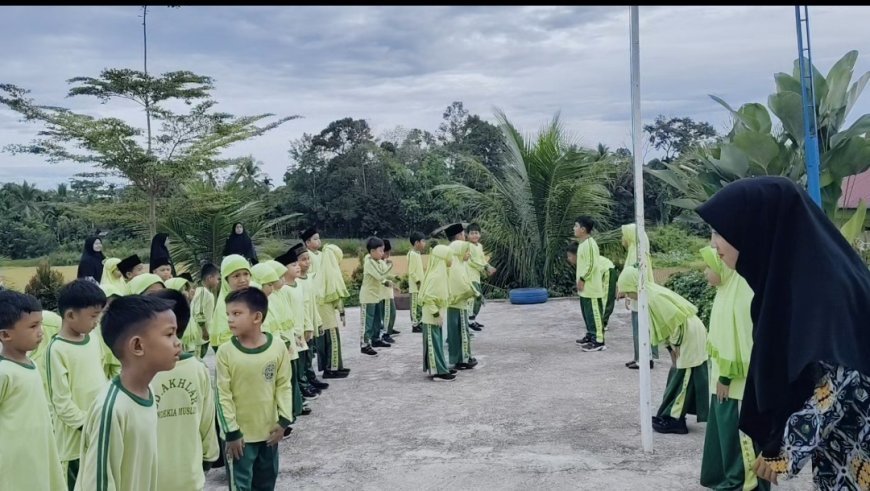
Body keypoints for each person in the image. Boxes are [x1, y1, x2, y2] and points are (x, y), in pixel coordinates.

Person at [696, 176, 870, 489]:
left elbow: (844, 375)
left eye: (721, 231)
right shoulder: (793, 281)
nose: (714, 244)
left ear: (756, 228)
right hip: (844, 449)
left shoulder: (825, 289)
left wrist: (787, 446)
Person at [75, 295, 182, 491]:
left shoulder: (147, 391)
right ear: (137, 346)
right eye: (169, 335)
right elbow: (98, 484)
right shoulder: (112, 409)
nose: (178, 343)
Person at [697, 246, 767, 490]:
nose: (705, 272)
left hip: (737, 385)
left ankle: (745, 485)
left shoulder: (741, 291)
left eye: (709, 266)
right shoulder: (725, 290)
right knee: (726, 439)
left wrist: (725, 377)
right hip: (725, 382)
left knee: (740, 440)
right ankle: (731, 480)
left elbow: (739, 340)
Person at [216, 287, 294, 491]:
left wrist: (284, 420)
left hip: (269, 434)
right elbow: (223, 394)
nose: (230, 319)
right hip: (240, 439)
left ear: (257, 317)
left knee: (266, 483)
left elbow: (284, 385)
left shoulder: (277, 347)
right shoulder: (225, 352)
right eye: (228, 314)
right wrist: (231, 432)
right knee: (240, 486)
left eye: (237, 313)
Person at [618, 266, 709, 434]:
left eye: (628, 292)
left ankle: (675, 420)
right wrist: (671, 348)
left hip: (687, 335)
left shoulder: (653, 297)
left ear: (634, 286)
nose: (629, 297)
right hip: (684, 335)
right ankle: (669, 414)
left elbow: (674, 320)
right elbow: (665, 326)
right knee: (676, 376)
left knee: (684, 377)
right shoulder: (648, 294)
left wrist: (676, 346)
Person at [148, 289, 219, 491]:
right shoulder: (198, 369)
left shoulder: (143, 373)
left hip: (152, 478)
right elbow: (207, 420)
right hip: (191, 474)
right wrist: (209, 456)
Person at [0, 290, 66, 491]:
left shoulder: (32, 364)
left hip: (39, 450)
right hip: (14, 461)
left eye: (40, 324)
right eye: (32, 326)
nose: (41, 331)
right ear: (5, 335)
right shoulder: (4, 372)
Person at [45, 279, 108, 490]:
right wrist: (86, 424)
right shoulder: (57, 349)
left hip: (97, 433)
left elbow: (101, 376)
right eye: (93, 316)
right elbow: (61, 401)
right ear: (70, 315)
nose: (97, 321)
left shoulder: (93, 340)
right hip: (75, 443)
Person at [619, 223, 658, 370]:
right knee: (638, 327)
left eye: (624, 235)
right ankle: (639, 357)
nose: (622, 239)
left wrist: (627, 292)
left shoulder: (637, 252)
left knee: (641, 328)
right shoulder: (634, 250)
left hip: (639, 296)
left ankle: (645, 359)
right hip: (636, 296)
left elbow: (634, 275)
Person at [293, 242, 330, 394]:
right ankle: (303, 382)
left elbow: (313, 303)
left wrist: (318, 322)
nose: (307, 262)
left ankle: (310, 376)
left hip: (312, 320)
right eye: (303, 259)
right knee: (302, 355)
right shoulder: (295, 282)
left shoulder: (309, 278)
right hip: (302, 323)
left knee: (309, 353)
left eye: (308, 259)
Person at [418, 245, 457, 381]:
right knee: (433, 343)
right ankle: (439, 372)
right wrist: (436, 314)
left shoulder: (441, 273)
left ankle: (440, 368)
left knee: (436, 343)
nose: (452, 259)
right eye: (450, 257)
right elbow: (429, 297)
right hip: (432, 317)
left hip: (436, 317)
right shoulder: (436, 276)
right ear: (443, 258)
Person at [446, 223, 479, 370]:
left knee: (454, 332)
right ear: (459, 237)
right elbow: (462, 282)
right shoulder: (457, 261)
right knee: (463, 331)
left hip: (452, 302)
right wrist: (472, 292)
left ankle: (456, 358)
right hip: (459, 302)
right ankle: (465, 358)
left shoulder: (453, 258)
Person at [573, 217, 606, 352]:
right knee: (587, 313)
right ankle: (590, 335)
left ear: (583, 229)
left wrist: (583, 279)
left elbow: (592, 265)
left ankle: (599, 341)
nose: (573, 229)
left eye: (576, 226)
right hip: (585, 288)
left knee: (594, 313)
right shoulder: (583, 244)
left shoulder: (591, 244)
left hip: (591, 287)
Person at [318, 244, 351, 379]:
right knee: (333, 339)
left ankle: (333, 367)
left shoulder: (322, 270)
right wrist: (342, 312)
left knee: (326, 340)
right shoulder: (330, 272)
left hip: (322, 310)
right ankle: (332, 369)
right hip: (327, 312)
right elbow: (335, 294)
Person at [210, 255, 253, 352]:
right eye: (236, 276)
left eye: (246, 274)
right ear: (226, 280)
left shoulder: (253, 300)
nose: (242, 280)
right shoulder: (224, 308)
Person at [359, 237, 393, 355]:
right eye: (380, 251)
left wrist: (388, 281)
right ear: (372, 251)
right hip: (368, 297)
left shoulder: (378, 262)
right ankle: (364, 344)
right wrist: (389, 266)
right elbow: (380, 275)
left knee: (377, 321)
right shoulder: (369, 262)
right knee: (368, 322)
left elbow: (383, 277)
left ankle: (376, 339)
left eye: (383, 250)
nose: (383, 253)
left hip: (376, 296)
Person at [465, 223, 496, 331]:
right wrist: (484, 268)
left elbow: (482, 259)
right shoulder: (467, 246)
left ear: (480, 234)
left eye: (476, 233)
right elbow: (471, 262)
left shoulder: (480, 246)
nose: (474, 235)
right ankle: (469, 321)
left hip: (477, 276)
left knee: (478, 299)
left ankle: (472, 320)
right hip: (470, 276)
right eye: (472, 233)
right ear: (467, 235)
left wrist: (489, 266)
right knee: (475, 298)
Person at [188, 262, 219, 359]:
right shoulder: (203, 292)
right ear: (210, 278)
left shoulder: (204, 292)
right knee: (197, 359)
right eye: (217, 279)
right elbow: (199, 312)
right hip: (200, 336)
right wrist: (204, 331)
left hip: (202, 336)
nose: (218, 282)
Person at [407, 231, 427, 334]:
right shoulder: (412, 254)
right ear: (416, 243)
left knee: (419, 305)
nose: (425, 243)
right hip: (415, 286)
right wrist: (418, 281)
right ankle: (415, 325)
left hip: (420, 286)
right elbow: (411, 271)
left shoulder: (417, 254)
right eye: (423, 241)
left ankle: (419, 322)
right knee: (414, 306)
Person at [381, 239, 400, 341]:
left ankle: (389, 329)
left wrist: (394, 277)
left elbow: (387, 274)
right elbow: (382, 277)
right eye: (387, 253)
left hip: (389, 292)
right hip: (385, 293)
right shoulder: (379, 262)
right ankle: (385, 334)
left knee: (392, 313)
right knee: (388, 314)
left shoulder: (384, 262)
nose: (388, 255)